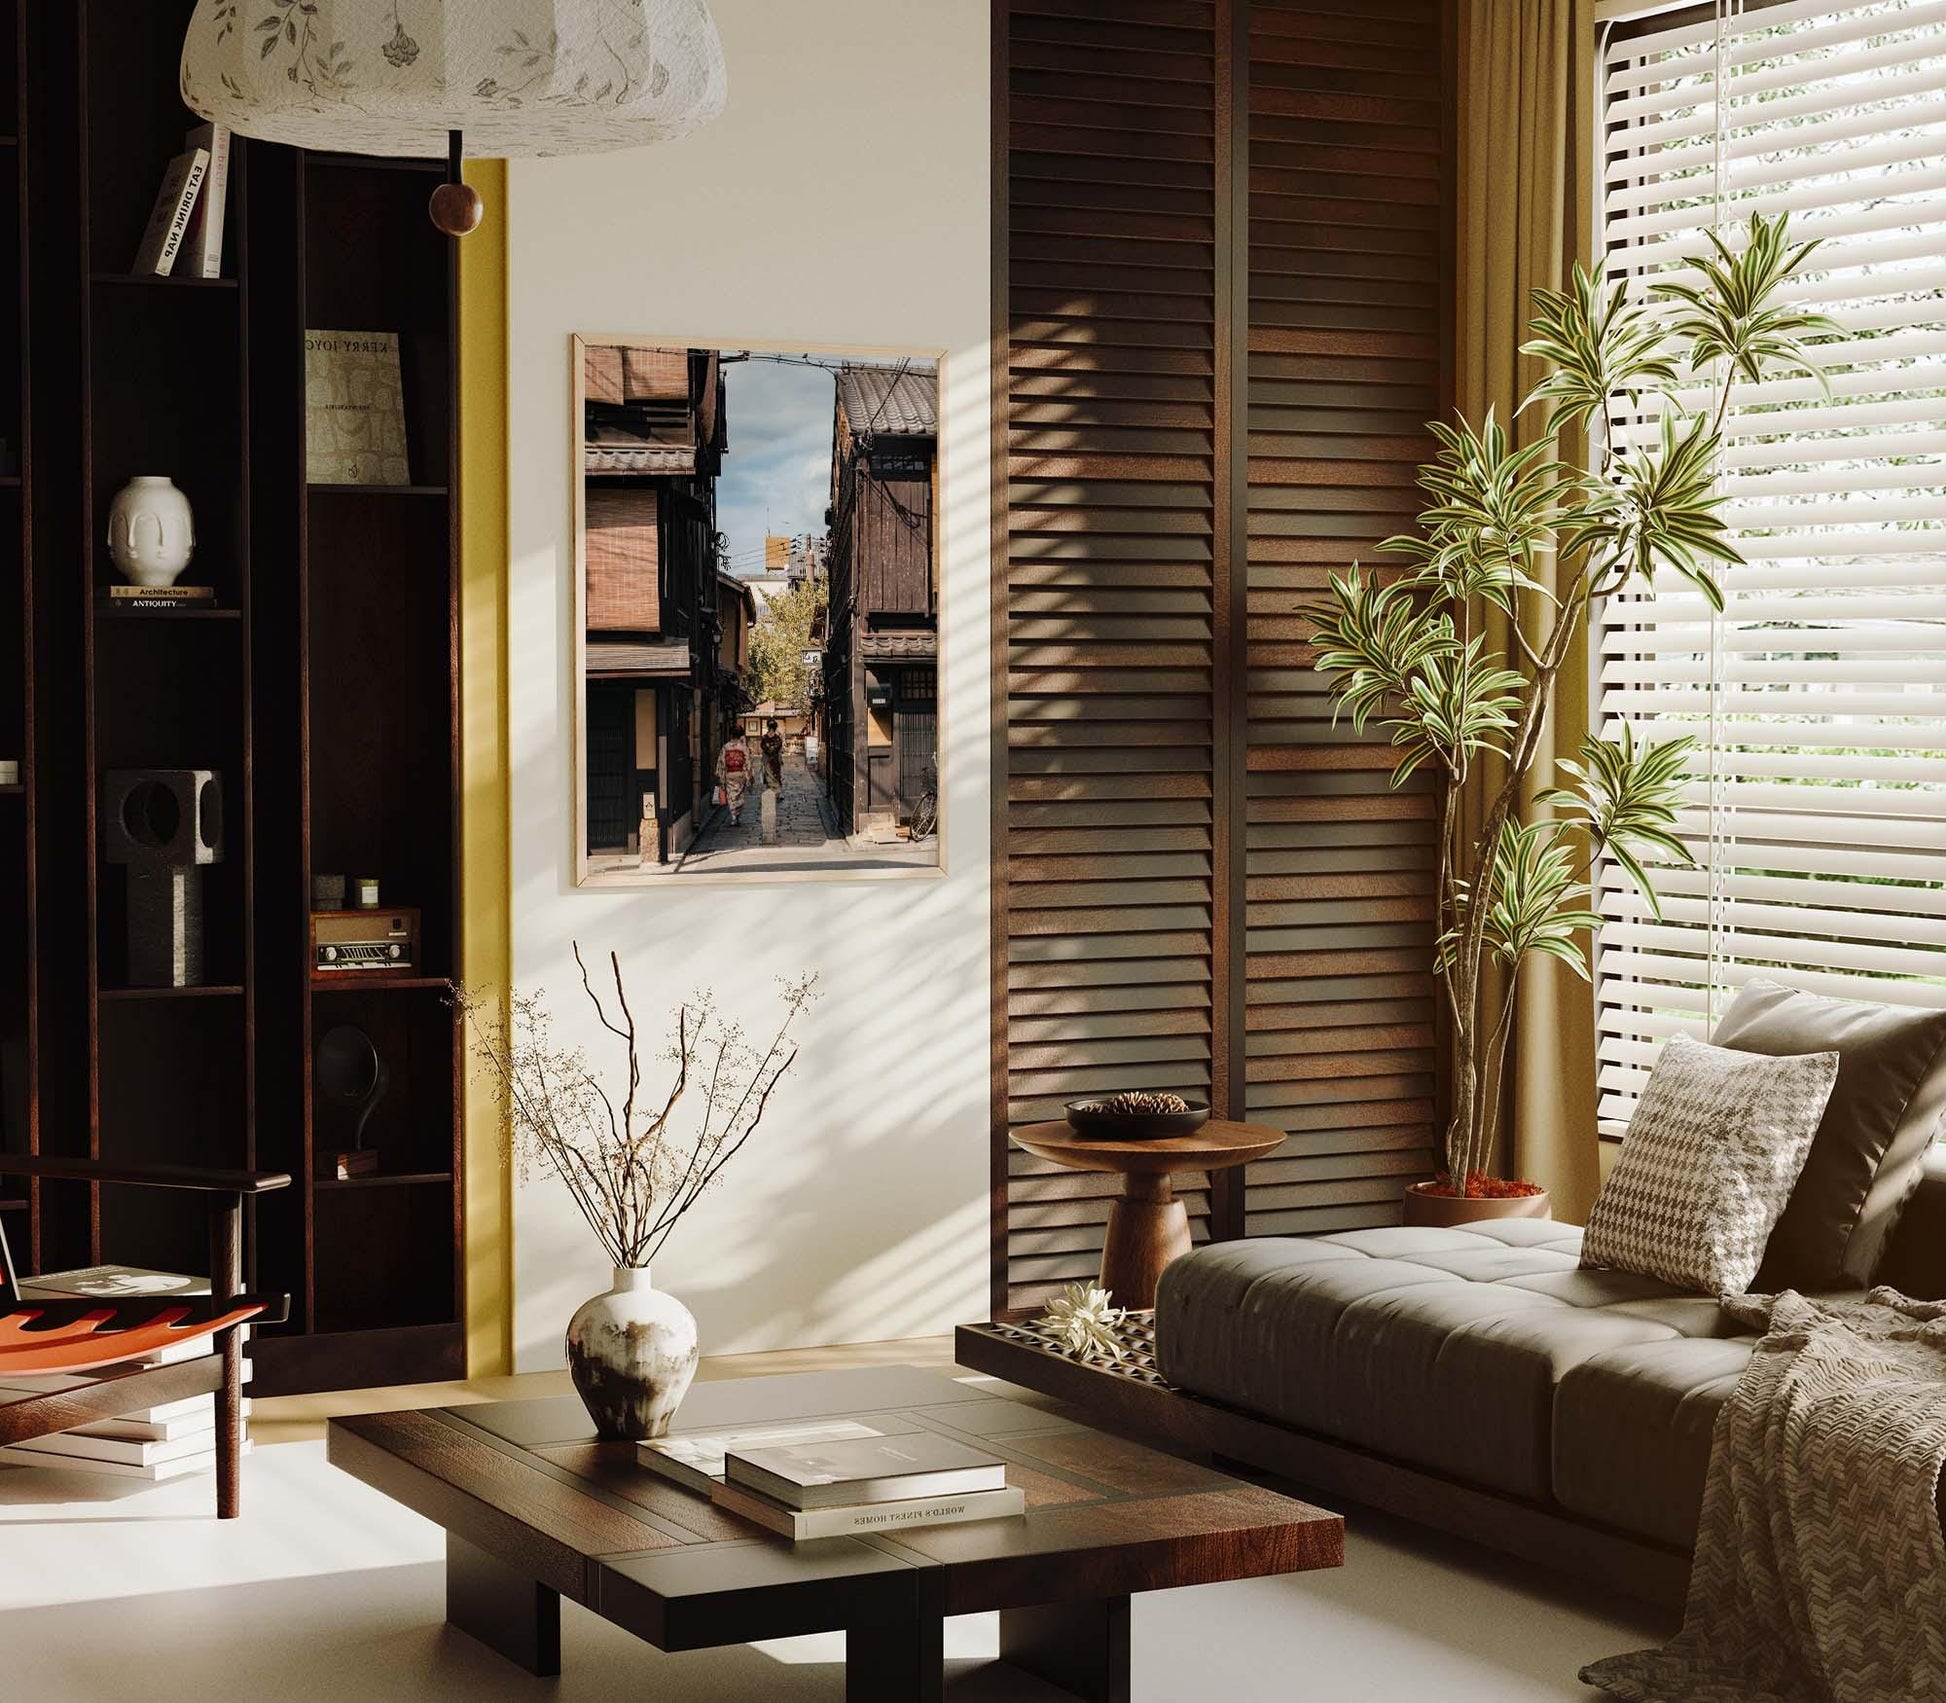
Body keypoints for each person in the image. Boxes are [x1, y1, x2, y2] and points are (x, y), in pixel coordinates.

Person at [718, 730, 751, 826]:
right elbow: (747, 762)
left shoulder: (726, 747)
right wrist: (748, 776)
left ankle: (733, 816)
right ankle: (737, 815)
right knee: (740, 794)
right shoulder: (743, 748)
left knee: (731, 795)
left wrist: (721, 775)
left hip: (730, 774)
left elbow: (722, 762)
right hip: (740, 773)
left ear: (731, 735)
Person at [760, 718, 784, 792]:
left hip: (767, 760)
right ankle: (777, 791)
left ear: (768, 727)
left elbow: (763, 749)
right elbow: (779, 750)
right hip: (775, 760)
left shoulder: (764, 738)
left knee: (768, 775)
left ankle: (770, 791)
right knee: (776, 775)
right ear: (775, 727)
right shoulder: (778, 739)